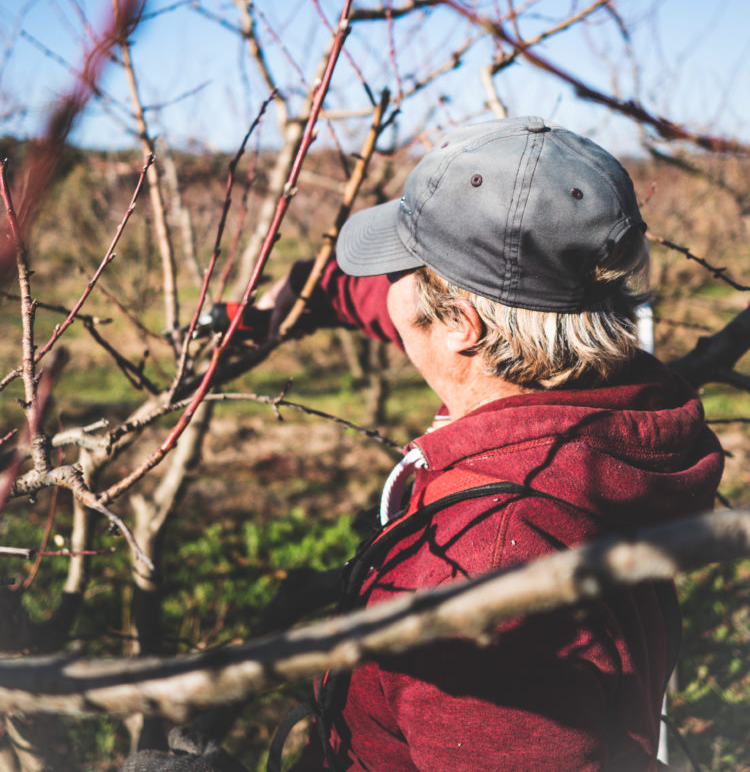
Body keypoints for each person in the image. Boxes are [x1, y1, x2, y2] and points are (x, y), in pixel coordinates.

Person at [125, 117, 723, 772]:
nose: (387, 286)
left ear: (462, 325)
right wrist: (298, 299)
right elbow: (406, 306)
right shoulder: (612, 392)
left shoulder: (482, 593)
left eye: (401, 268)